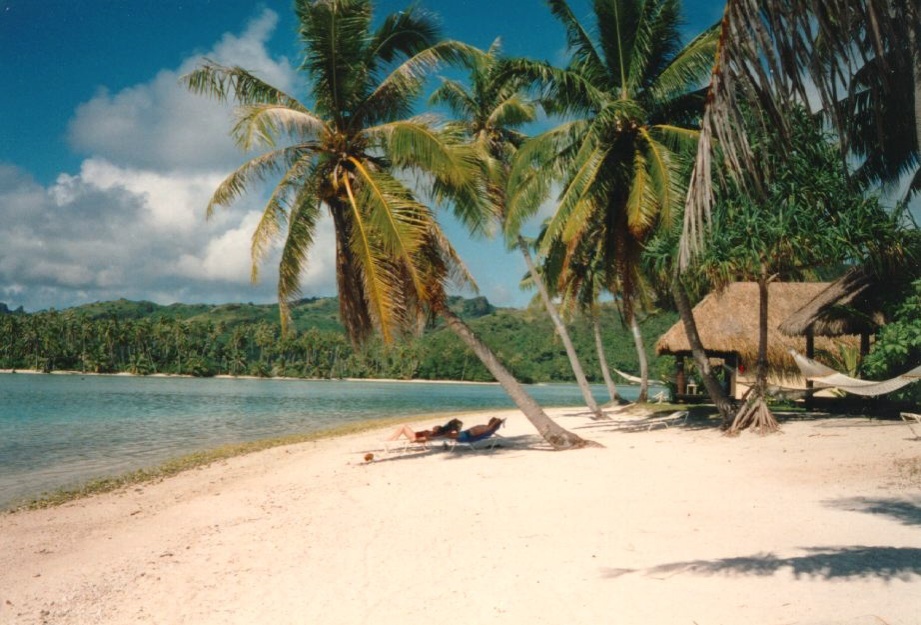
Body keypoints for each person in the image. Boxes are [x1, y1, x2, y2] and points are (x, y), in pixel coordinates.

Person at [387, 418, 463, 443]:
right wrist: (430, 431)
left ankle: (392, 439)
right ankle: (392, 438)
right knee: (403, 426)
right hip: (418, 435)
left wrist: (426, 433)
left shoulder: (445, 432)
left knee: (403, 426)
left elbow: (429, 438)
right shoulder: (444, 431)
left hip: (416, 438)